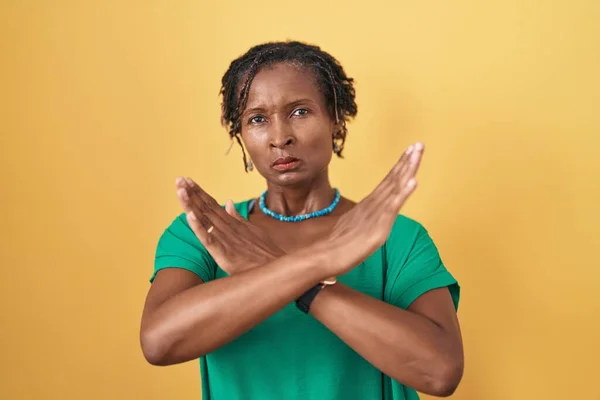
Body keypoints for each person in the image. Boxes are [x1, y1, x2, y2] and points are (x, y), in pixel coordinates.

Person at [140, 40, 463, 400]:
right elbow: (158, 342)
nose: (281, 138)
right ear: (241, 135)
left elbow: (440, 373)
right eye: (257, 119)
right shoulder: (205, 232)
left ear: (335, 121)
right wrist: (321, 261)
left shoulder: (397, 237)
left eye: (300, 112)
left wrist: (299, 282)